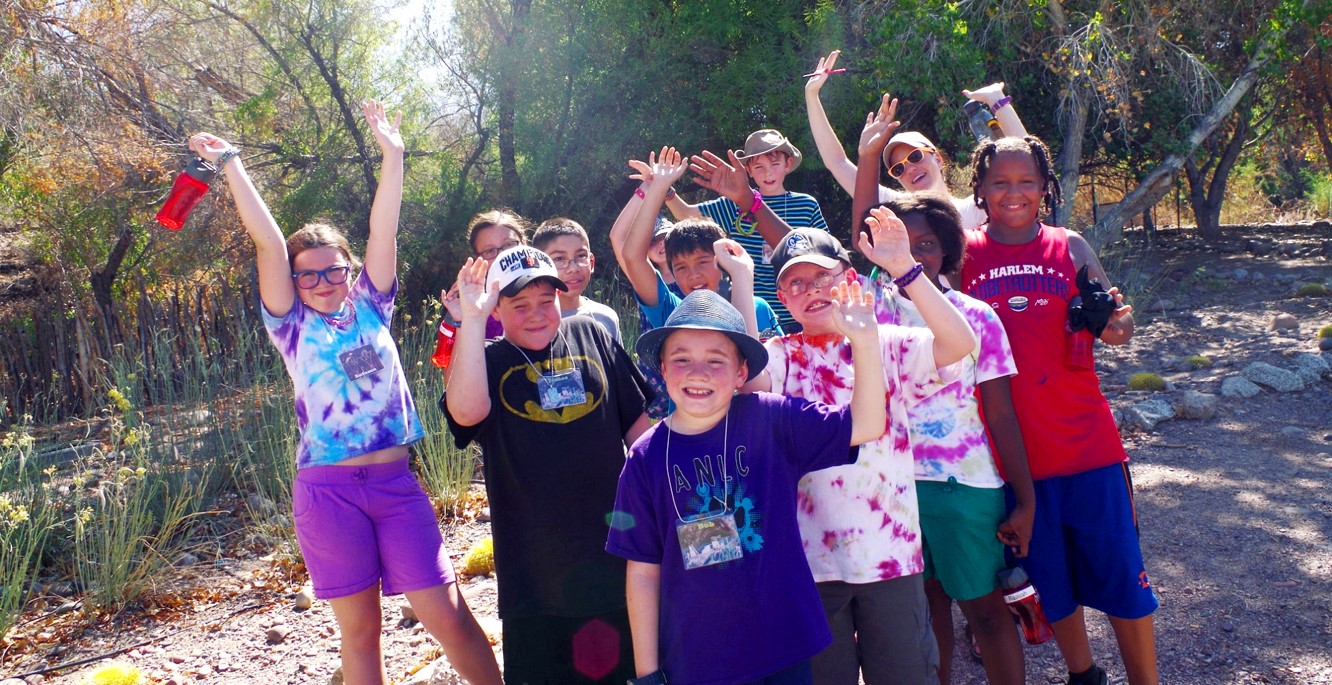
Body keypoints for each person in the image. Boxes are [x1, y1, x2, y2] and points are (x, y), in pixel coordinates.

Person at [188, 101, 501, 685]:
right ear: (294, 280)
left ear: (350, 269)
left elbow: (385, 226)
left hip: (394, 484)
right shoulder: (289, 324)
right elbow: (268, 242)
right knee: (361, 635)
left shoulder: (372, 304)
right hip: (328, 495)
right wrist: (231, 163)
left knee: (450, 618)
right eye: (308, 274)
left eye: (334, 270)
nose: (322, 282)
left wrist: (395, 154)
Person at [605, 286, 888, 685]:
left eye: (715, 360)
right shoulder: (644, 458)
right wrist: (647, 673)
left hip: (782, 646)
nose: (698, 372)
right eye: (681, 359)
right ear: (663, 369)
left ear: (741, 373)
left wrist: (864, 340)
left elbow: (867, 424)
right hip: (696, 659)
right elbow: (642, 572)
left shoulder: (769, 420)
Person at [958, 135, 1157, 685]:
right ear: (979, 188)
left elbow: (1118, 327)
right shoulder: (964, 254)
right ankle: (1084, 674)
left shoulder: (1068, 246)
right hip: (1012, 456)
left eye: (1027, 182)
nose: (1013, 193)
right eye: (1000, 181)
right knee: (1052, 580)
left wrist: (1115, 323)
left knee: (1121, 576)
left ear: (1045, 188)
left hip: (1087, 444)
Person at [746, 213, 977, 685]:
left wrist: (904, 268)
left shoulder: (888, 344)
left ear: (849, 279)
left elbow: (960, 343)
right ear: (783, 299)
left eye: (822, 277)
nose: (811, 291)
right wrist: (741, 280)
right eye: (796, 284)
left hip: (888, 556)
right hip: (810, 563)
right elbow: (747, 382)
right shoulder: (780, 356)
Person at [444, 245, 653, 685]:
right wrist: (473, 319)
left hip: (615, 557)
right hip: (535, 574)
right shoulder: (488, 360)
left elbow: (639, 429)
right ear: (498, 307)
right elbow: (465, 414)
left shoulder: (592, 335)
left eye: (546, 301)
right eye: (519, 305)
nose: (536, 314)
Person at [865, 193, 1037, 685]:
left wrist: (1025, 500)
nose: (914, 254)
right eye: (901, 242)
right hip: (893, 488)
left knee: (985, 612)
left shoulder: (977, 315)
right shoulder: (868, 314)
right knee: (926, 611)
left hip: (965, 489)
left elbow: (1002, 415)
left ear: (947, 252)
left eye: (927, 244)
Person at [804, 49, 1029, 231]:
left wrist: (998, 101)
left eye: (915, 156)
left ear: (938, 159)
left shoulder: (973, 210)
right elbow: (837, 162)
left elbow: (1028, 164)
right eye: (898, 170)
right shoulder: (896, 210)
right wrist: (812, 96)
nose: (909, 169)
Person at [662, 130, 828, 328]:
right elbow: (687, 214)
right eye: (759, 167)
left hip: (802, 312)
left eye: (775, 164)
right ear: (748, 170)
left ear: (788, 164)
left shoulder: (806, 205)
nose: (768, 173)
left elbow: (825, 253)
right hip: (752, 312)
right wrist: (664, 189)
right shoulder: (734, 203)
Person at [616, 147, 785, 339]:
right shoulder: (674, 314)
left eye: (702, 262)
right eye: (680, 267)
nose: (693, 275)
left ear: (722, 262)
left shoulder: (758, 308)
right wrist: (657, 187)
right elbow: (632, 256)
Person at [531, 217, 622, 344]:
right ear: (538, 265)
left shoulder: (606, 318)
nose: (573, 268)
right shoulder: (531, 322)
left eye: (581, 256)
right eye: (559, 258)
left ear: (591, 262)